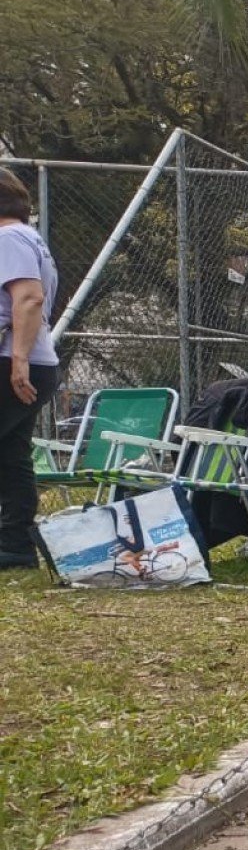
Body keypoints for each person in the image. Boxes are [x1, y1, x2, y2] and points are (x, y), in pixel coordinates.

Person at [0, 169, 59, 571]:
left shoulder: (7, 238)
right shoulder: (28, 237)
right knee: (11, 454)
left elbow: (29, 299)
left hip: (12, 361)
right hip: (33, 362)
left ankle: (15, 543)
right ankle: (15, 546)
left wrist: (18, 360)